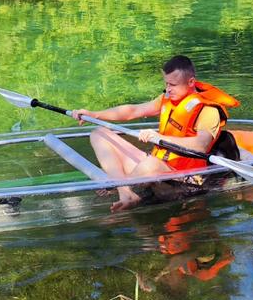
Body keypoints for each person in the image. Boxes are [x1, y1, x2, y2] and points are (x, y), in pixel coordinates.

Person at [72, 55, 240, 212]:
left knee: (150, 165)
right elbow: (133, 110)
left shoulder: (208, 110)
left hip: (184, 178)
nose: (168, 89)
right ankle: (125, 191)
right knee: (99, 133)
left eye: (173, 85)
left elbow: (201, 146)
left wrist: (159, 137)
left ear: (190, 82)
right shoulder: (167, 97)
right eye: (166, 83)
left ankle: (118, 187)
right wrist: (95, 114)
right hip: (158, 164)